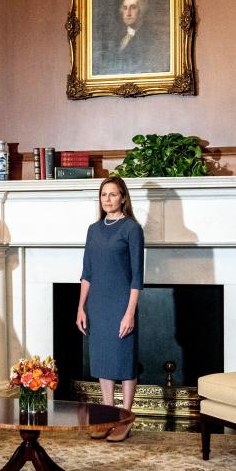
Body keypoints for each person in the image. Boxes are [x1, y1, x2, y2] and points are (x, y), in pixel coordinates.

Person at [76, 177, 144, 442]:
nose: (107, 199)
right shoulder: (93, 230)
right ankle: (107, 415)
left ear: (123, 198)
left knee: (125, 360)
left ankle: (125, 418)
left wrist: (130, 312)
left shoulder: (131, 229)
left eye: (113, 194)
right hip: (97, 304)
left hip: (122, 303)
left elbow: (137, 276)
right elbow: (87, 273)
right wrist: (81, 307)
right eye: (104, 194)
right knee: (103, 359)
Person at [99, 0, 168, 75]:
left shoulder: (151, 38)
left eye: (133, 8)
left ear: (142, 11)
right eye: (125, 8)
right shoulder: (116, 37)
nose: (128, 13)